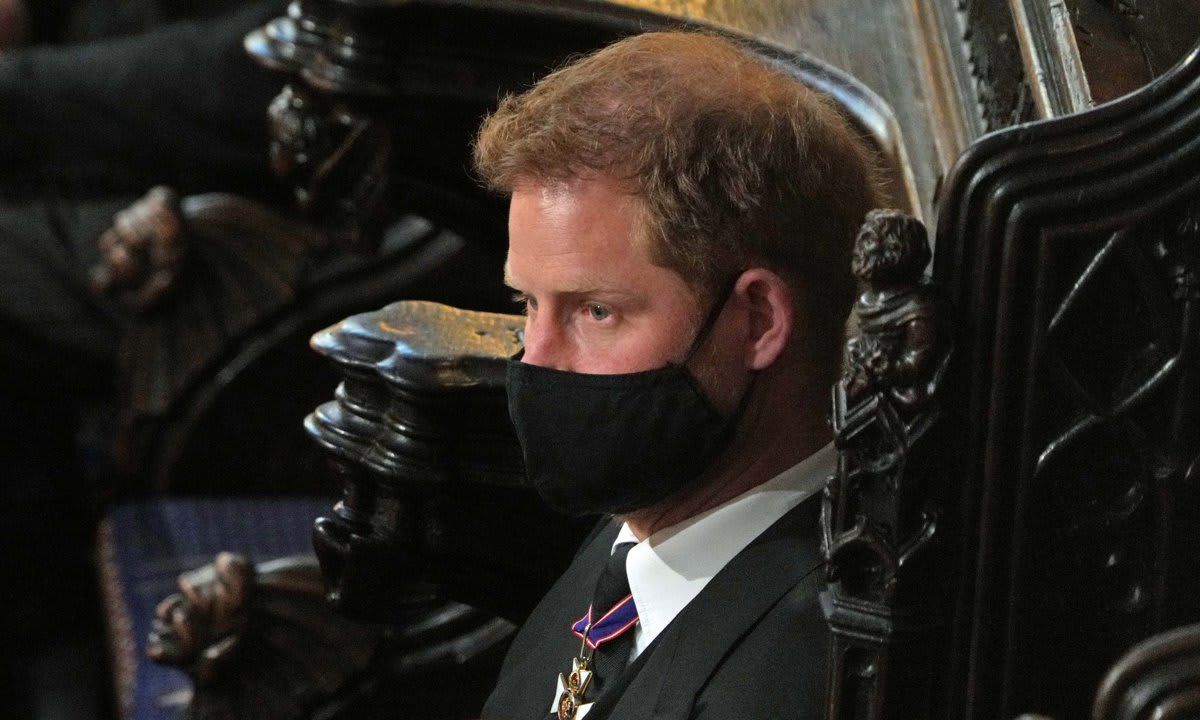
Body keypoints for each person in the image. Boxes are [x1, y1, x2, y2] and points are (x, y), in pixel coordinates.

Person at [473, 30, 883, 720]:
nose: (535, 361)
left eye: (596, 311)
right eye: (527, 304)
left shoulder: (797, 678)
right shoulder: (653, 523)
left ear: (756, 321)